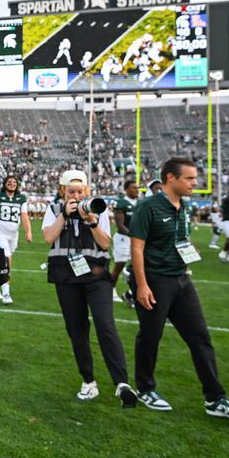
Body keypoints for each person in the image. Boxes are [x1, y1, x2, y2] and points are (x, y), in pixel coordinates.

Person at [128, 157, 229, 419]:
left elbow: (181, 239)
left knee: (200, 337)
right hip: (155, 279)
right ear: (170, 178)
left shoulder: (183, 206)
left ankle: (215, 398)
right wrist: (141, 285)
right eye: (189, 178)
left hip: (181, 279)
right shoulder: (148, 206)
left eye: (195, 178)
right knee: (151, 336)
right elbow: (137, 247)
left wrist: (188, 256)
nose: (195, 183)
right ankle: (146, 388)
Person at [42, 170, 137, 406]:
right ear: (62, 191)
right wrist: (64, 215)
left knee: (106, 324)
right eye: (71, 191)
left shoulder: (98, 208)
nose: (76, 195)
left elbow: (105, 243)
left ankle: (122, 382)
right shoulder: (53, 209)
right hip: (66, 275)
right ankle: (88, 380)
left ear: (87, 191)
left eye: (80, 191)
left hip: (95, 274)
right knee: (77, 329)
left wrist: (91, 220)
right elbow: (48, 237)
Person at [0, 175, 31, 305]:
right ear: (4, 183)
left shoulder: (21, 198)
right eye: (9, 182)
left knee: (0, 262)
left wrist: (28, 231)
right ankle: (6, 293)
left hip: (13, 234)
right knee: (7, 261)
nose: (12, 184)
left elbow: (24, 216)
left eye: (14, 182)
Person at [109, 179, 139, 306]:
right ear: (126, 189)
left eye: (137, 187)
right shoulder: (121, 203)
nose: (136, 190)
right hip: (123, 238)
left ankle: (131, 293)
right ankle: (110, 290)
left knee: (138, 266)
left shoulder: (141, 203)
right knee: (119, 265)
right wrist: (133, 234)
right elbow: (120, 224)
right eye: (133, 188)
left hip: (137, 238)